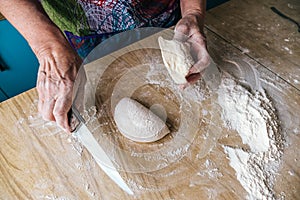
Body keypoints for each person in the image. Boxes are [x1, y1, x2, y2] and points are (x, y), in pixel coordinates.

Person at [0, 0, 209, 133]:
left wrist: (192, 12)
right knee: (97, 87)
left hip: (163, 14)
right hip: (86, 28)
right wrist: (50, 48)